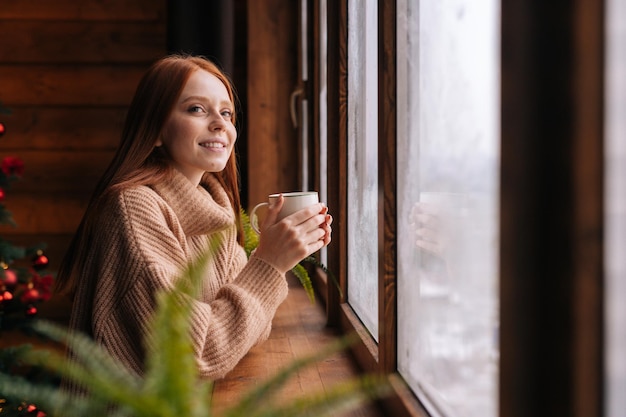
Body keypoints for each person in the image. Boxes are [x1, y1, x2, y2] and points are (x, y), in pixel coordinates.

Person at [53, 54, 332, 380]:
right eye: (196, 109)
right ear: (155, 130)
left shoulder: (215, 210)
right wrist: (269, 263)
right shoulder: (133, 209)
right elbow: (195, 354)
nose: (220, 123)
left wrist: (272, 254)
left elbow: (251, 333)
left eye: (226, 112)